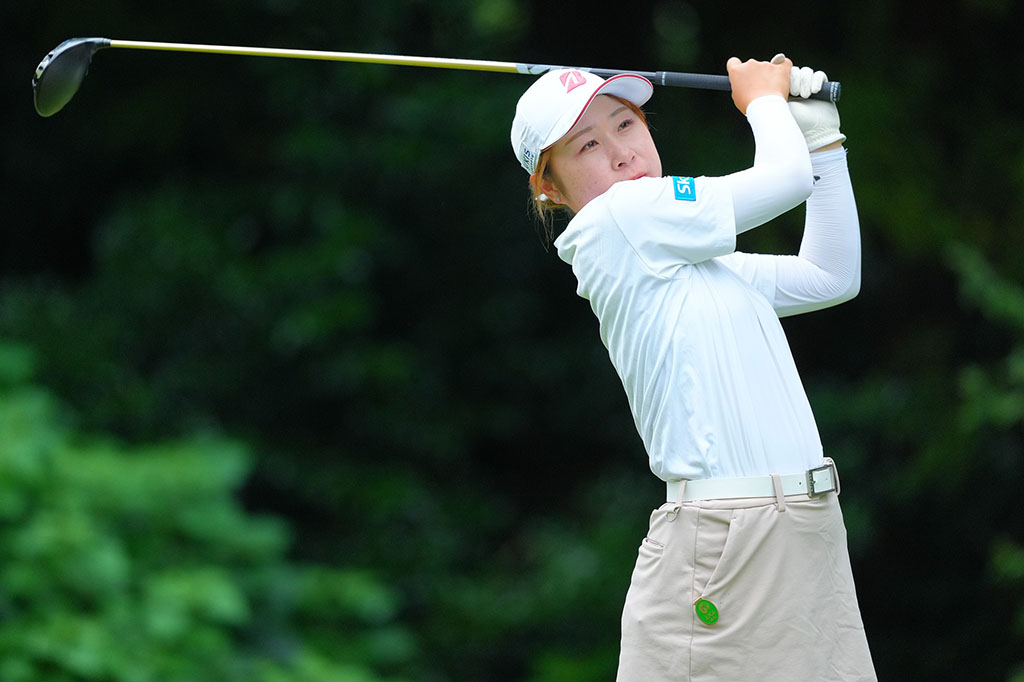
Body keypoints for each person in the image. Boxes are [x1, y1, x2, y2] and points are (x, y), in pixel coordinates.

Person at [510, 54, 876, 681]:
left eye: (626, 124)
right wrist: (763, 99)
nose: (621, 152)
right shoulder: (619, 220)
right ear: (550, 187)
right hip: (728, 538)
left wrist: (823, 143)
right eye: (588, 145)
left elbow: (830, 276)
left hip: (805, 524)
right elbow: (784, 180)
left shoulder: (697, 262)